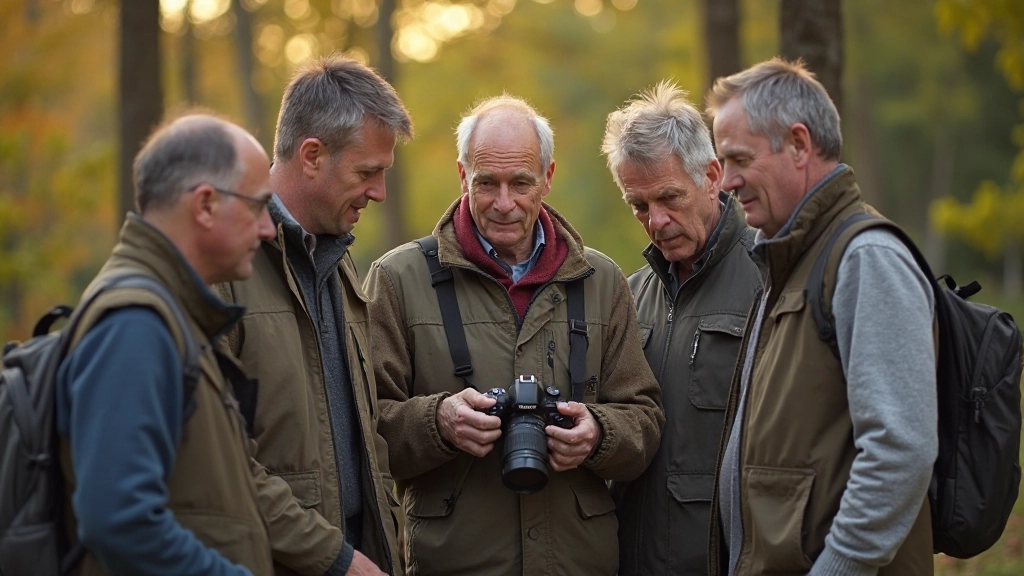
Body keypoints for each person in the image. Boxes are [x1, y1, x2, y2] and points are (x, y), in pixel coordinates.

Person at [363, 95, 665, 576]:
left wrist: (598, 434)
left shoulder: (601, 281)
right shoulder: (399, 280)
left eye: (521, 183)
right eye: (487, 183)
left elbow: (645, 419)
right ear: (463, 176)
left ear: (547, 177)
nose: (504, 203)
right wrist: (439, 421)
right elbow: (365, 432)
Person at [706, 58, 937, 576]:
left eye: (739, 159)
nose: (727, 183)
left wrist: (838, 568)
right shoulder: (788, 258)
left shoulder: (864, 259)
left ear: (799, 144)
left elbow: (900, 449)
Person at [215, 56, 412, 576]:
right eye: (367, 172)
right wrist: (336, 559)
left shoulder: (339, 260)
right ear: (311, 155)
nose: (379, 192)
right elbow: (219, 464)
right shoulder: (224, 268)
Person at [56, 114, 276, 575]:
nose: (268, 230)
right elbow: (120, 521)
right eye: (258, 207)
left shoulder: (171, 315)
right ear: (206, 205)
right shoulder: (135, 323)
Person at [601, 82, 762, 576]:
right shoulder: (629, 294)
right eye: (639, 205)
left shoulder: (772, 277)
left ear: (712, 176)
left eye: (670, 197)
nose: (657, 220)